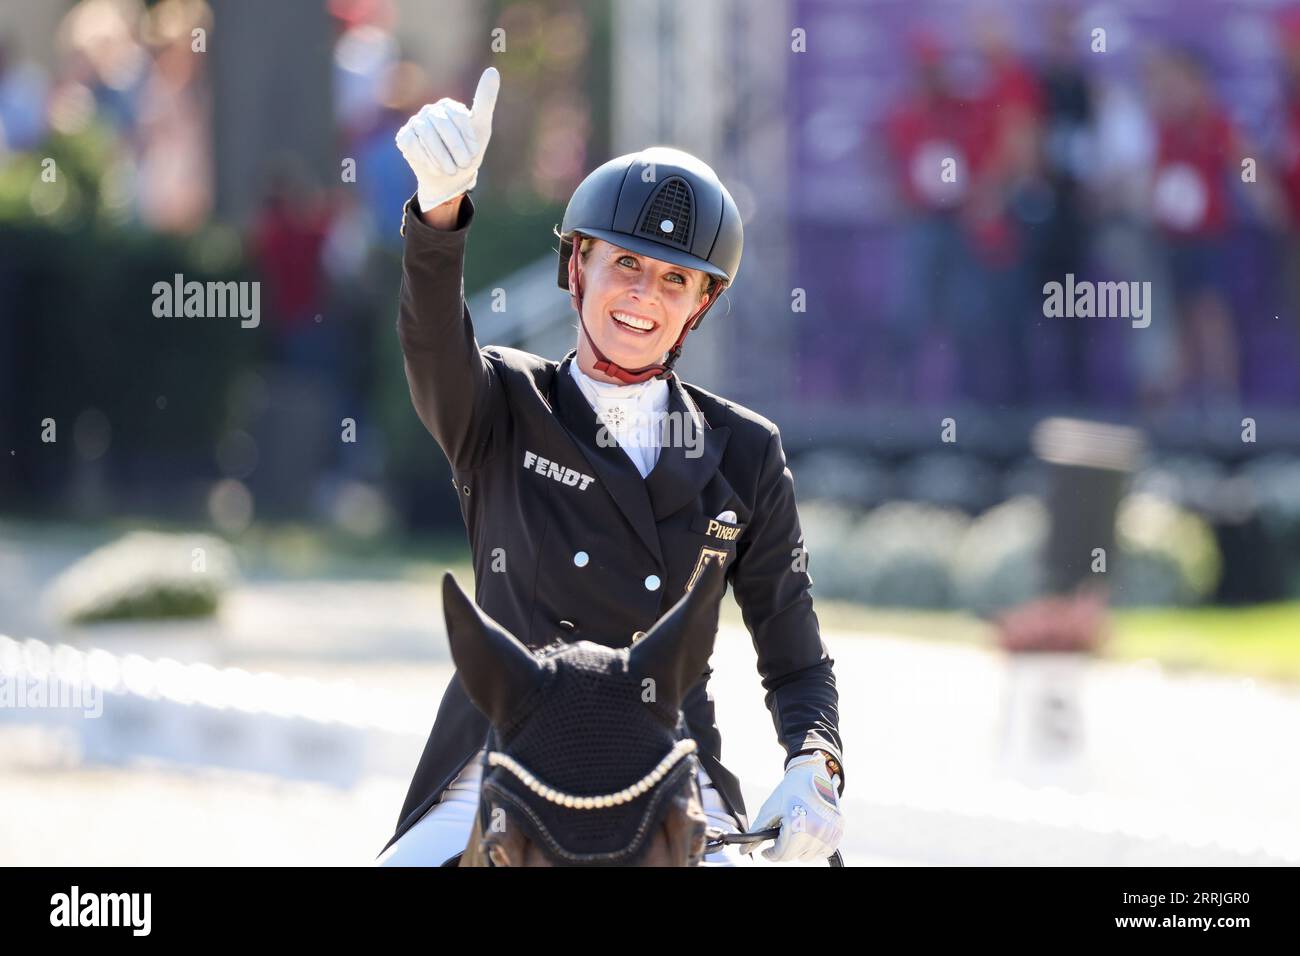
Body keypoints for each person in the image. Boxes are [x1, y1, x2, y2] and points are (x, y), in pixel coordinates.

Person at [376, 67, 844, 866]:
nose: (644, 296)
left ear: (699, 303)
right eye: (625, 264)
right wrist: (440, 212)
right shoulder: (500, 404)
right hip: (506, 760)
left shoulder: (745, 451)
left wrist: (816, 766)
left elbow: (794, 656)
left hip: (669, 768)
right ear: (577, 266)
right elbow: (429, 340)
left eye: (674, 279)